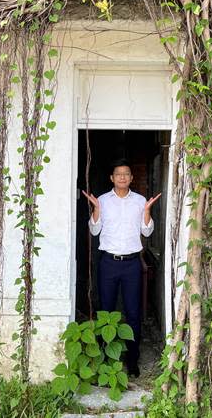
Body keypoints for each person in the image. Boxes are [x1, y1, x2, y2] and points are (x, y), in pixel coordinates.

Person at [82, 158, 161, 377]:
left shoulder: (140, 200)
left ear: (131, 178)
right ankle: (106, 358)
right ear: (112, 178)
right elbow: (94, 231)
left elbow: (146, 232)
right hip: (108, 263)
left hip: (132, 264)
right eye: (118, 174)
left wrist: (146, 212)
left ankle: (132, 359)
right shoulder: (103, 201)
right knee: (106, 311)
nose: (123, 177)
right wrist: (96, 209)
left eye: (126, 174)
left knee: (133, 313)